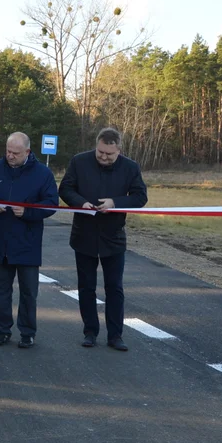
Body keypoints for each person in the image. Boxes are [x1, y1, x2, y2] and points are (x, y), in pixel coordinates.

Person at [58, 127, 148, 351]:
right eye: (100, 152)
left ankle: (115, 335)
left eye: (109, 154)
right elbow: (65, 188)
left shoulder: (130, 167)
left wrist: (115, 203)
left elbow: (140, 196)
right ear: (96, 146)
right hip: (84, 234)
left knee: (114, 287)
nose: (104, 157)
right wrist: (81, 203)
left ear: (119, 149)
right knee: (86, 287)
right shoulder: (79, 162)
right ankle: (90, 331)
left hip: (113, 236)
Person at [0, 132, 59, 348]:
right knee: (1, 291)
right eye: (8, 151)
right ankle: (3, 330)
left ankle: (27, 332)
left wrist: (29, 211)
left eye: (15, 153)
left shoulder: (43, 173)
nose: (10, 156)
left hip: (27, 242)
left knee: (29, 292)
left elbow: (51, 203)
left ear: (28, 152)